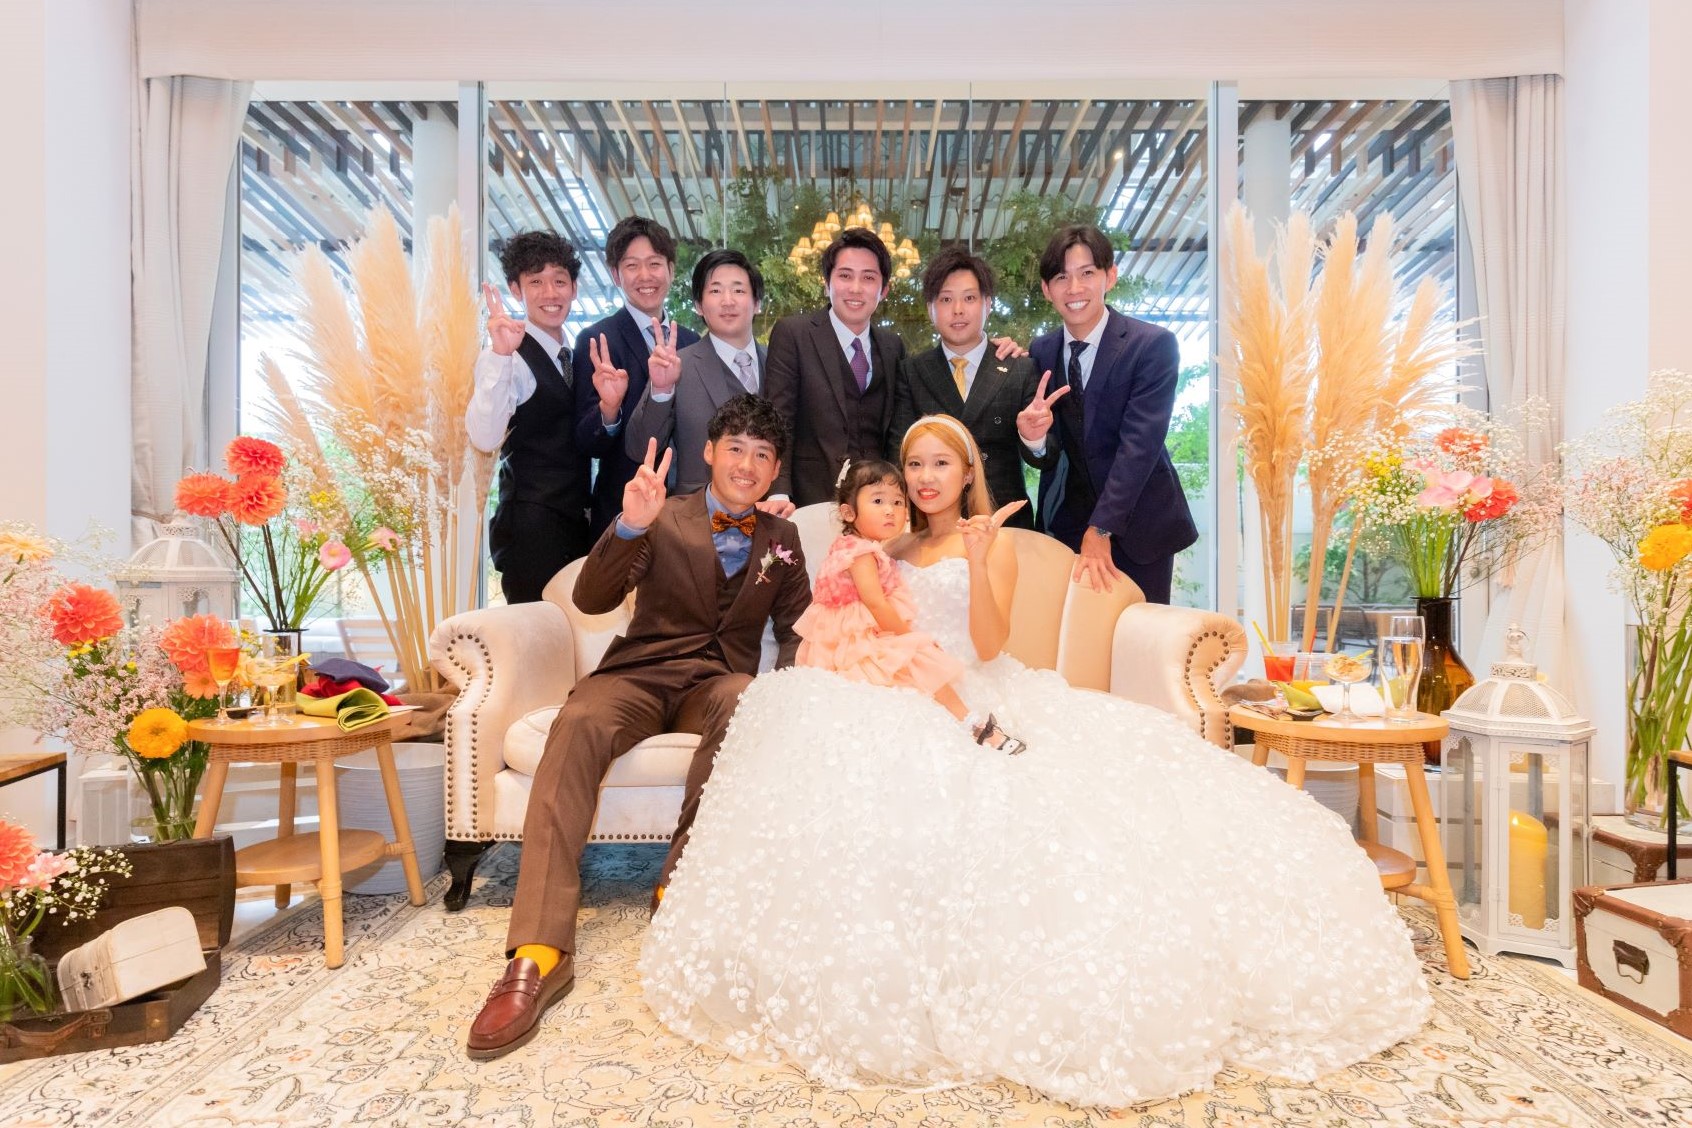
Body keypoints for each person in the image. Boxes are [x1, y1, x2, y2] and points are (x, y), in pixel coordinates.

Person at [640, 414, 1431, 1108]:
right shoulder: (888, 540)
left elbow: (987, 646)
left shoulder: (994, 541)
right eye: (913, 464)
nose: (924, 478)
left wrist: (979, 556)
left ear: (968, 472)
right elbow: (854, 603)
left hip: (967, 684)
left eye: (941, 463)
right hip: (892, 683)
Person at [466, 395, 812, 1061]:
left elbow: (797, 627)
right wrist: (628, 526)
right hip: (641, 672)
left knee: (747, 701)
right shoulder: (662, 514)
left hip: (718, 683)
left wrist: (799, 690)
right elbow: (592, 599)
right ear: (709, 452)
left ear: (774, 470)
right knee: (579, 720)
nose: (746, 464)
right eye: (735, 448)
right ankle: (538, 950)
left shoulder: (783, 540)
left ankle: (676, 887)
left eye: (762, 454)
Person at [796, 458, 1025, 753]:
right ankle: (974, 724)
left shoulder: (866, 547)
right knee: (923, 662)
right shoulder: (861, 553)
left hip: (861, 636)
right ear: (848, 512)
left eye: (897, 502)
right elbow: (876, 603)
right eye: (878, 501)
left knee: (919, 671)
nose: (890, 510)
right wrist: (910, 638)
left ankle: (970, 723)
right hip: (860, 640)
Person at [1023, 224, 1198, 602]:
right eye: (1061, 277)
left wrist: (1101, 528)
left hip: (1141, 528)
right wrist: (1033, 438)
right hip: (1068, 529)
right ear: (1047, 289)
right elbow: (1049, 448)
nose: (1074, 288)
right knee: (1076, 637)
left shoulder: (1152, 346)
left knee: (1141, 632)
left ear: (1110, 276)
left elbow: (1140, 447)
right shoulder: (1041, 351)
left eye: (1087, 273)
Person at [465, 231, 593, 604]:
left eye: (559, 281)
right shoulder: (510, 357)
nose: (550, 293)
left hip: (576, 529)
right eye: (536, 282)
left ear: (574, 288)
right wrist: (500, 357)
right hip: (532, 532)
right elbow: (485, 437)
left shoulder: (575, 356)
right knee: (535, 635)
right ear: (515, 289)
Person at [892, 247, 1043, 530]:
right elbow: (898, 451)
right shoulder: (912, 372)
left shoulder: (1019, 367)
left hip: (1005, 523)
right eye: (946, 299)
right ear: (930, 308)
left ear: (988, 304)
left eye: (970, 298)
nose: (958, 309)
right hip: (935, 525)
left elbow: (1045, 459)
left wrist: (1034, 439)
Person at [572, 216, 701, 539]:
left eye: (654, 263)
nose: (645, 276)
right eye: (632, 265)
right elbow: (586, 443)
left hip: (686, 513)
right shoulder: (597, 340)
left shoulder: (691, 342)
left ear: (670, 270)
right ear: (616, 275)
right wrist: (609, 409)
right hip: (622, 511)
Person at [763, 226, 908, 508]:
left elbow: (897, 431)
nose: (855, 288)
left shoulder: (893, 346)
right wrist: (778, 491)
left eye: (868, 278)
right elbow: (779, 420)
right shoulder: (793, 334)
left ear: (884, 290)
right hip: (809, 499)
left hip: (878, 505)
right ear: (827, 283)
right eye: (845, 275)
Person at [624, 249, 773, 499]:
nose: (727, 301)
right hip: (698, 513)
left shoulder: (779, 362)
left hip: (773, 513)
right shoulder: (678, 365)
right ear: (699, 306)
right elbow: (638, 448)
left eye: (738, 290)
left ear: (757, 303)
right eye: (715, 291)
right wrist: (661, 390)